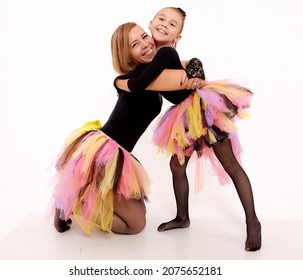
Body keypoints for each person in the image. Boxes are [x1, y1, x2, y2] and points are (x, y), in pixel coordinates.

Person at [115, 7, 261, 251]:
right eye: (161, 19)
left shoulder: (162, 55)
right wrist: (195, 69)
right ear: (150, 24)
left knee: (230, 163)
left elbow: (140, 85)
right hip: (185, 113)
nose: (165, 25)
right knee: (176, 165)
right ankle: (183, 217)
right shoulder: (159, 55)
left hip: (201, 109)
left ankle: (253, 222)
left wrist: (119, 82)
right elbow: (189, 63)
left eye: (172, 25)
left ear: (177, 37)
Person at [51, 22, 199, 235]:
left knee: (140, 214)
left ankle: (82, 198)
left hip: (121, 154)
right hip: (105, 150)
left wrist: (195, 67)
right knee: (135, 226)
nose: (146, 44)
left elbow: (181, 66)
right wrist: (191, 72)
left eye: (145, 36)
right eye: (135, 44)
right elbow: (176, 75)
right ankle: (70, 204)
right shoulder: (138, 78)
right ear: (127, 55)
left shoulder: (152, 74)